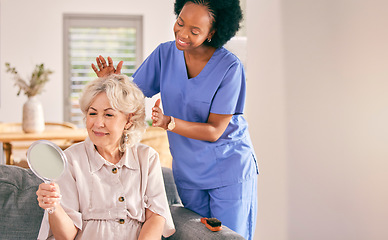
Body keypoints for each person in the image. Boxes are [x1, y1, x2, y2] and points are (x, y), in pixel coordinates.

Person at [92, 0, 258, 239]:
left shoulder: (229, 68)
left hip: (228, 169)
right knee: (194, 235)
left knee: (228, 236)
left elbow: (214, 130)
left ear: (212, 32)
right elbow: (131, 95)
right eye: (180, 23)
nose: (182, 33)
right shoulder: (165, 54)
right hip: (188, 170)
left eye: (194, 30)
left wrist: (169, 123)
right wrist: (111, 82)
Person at [35, 74, 175, 240]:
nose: (98, 123)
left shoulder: (147, 158)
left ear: (129, 120)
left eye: (108, 115)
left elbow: (156, 217)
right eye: (92, 113)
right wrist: (54, 206)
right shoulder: (71, 160)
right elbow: (66, 236)